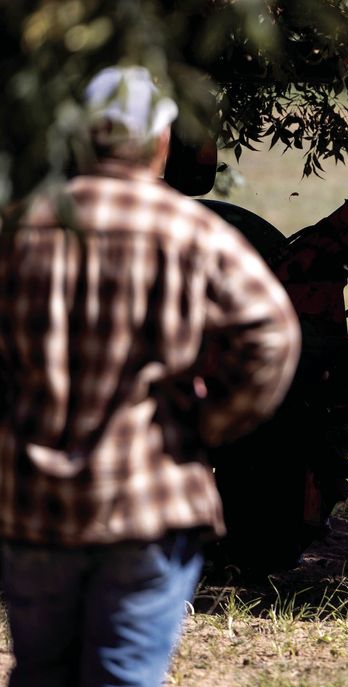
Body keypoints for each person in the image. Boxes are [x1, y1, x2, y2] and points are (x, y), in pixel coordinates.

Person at [0, 66, 301, 686]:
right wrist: (209, 423)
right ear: (162, 140)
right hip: (148, 502)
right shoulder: (189, 229)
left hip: (31, 505)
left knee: (39, 674)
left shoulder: (21, 227)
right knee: (124, 676)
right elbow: (272, 333)